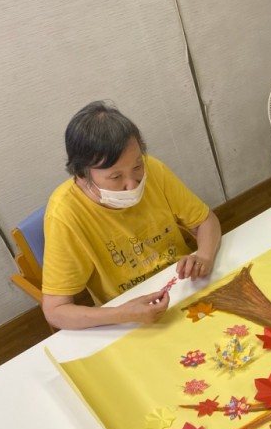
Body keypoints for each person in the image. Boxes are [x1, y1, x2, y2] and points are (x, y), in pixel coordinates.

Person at [42, 101, 221, 330]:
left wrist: (204, 256)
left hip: (183, 288)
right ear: (81, 175)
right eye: (116, 177)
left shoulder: (153, 169)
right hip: (125, 316)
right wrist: (121, 314)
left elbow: (206, 220)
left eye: (137, 167)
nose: (132, 185)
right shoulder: (64, 214)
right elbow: (56, 312)